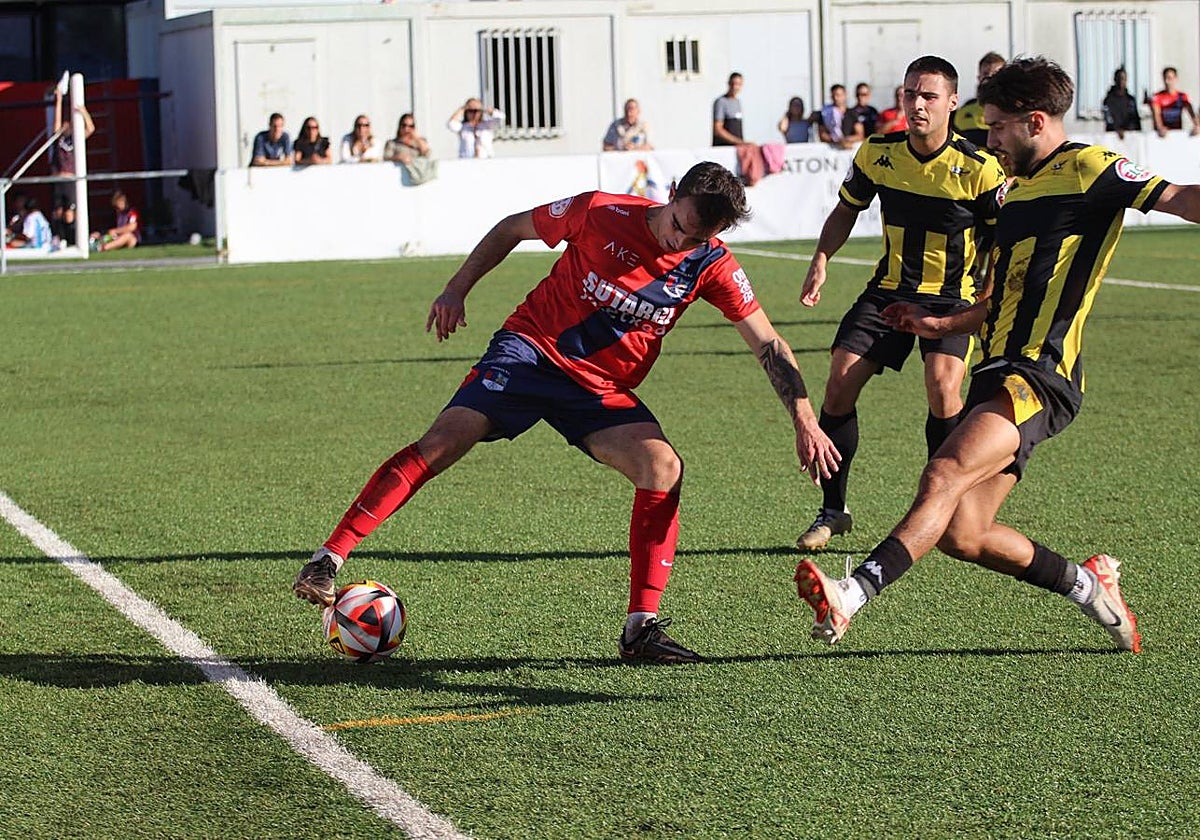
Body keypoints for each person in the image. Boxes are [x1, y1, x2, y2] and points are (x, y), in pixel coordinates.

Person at [291, 161, 841, 664]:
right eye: (679, 225)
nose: (681, 240)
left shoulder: (711, 264)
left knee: (663, 468)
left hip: (600, 389)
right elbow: (511, 227)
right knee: (443, 441)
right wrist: (457, 288)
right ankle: (329, 559)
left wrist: (804, 419)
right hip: (530, 351)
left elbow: (768, 343)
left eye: (698, 236)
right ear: (671, 195)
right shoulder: (601, 211)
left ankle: (640, 629)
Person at [795, 55, 1200, 654]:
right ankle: (1093, 587)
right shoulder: (1015, 191)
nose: (990, 141)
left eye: (999, 128)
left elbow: (1181, 198)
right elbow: (999, 296)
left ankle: (852, 595)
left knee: (943, 472)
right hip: (996, 367)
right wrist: (940, 321)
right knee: (966, 533)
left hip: (1041, 373)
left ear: (1036, 121)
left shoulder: (1092, 167)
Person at [795, 55, 1006, 552]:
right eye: (910, 94)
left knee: (942, 389)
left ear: (953, 103)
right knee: (839, 382)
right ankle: (832, 510)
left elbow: (1002, 241)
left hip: (953, 296)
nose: (917, 104)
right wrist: (822, 257)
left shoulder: (979, 168)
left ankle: (943, 505)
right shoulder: (878, 152)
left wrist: (989, 300)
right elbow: (846, 208)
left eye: (929, 96)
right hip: (889, 291)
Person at [49, 84, 95, 226]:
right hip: (58, 177)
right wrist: (59, 100)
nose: (66, 125)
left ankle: (70, 238)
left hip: (70, 178)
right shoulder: (58, 138)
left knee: (69, 213)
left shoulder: (77, 139)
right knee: (57, 211)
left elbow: (91, 128)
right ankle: (59, 238)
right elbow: (56, 123)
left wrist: (83, 111)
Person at [953, 52, 1006, 146]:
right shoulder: (964, 111)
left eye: (995, 73)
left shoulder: (1011, 113)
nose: (989, 78)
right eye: (986, 73)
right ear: (979, 77)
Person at [1150, 67, 1200, 137]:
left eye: (1170, 78)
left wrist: (1197, 126)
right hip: (1163, 134)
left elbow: (1192, 114)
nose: (1167, 82)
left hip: (1177, 133)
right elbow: (1156, 114)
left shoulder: (1182, 96)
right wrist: (1160, 127)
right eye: (1165, 78)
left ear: (1175, 79)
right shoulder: (1157, 97)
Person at [1102, 68, 1142, 140]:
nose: (1121, 81)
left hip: (1131, 137)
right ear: (1115, 80)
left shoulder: (1130, 100)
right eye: (1119, 78)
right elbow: (1108, 119)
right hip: (1113, 138)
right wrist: (1117, 129)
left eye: (1123, 79)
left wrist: (1130, 131)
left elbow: (1135, 119)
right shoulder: (1108, 100)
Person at [712, 73, 745, 146]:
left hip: (736, 148)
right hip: (724, 148)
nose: (735, 87)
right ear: (729, 84)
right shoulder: (721, 102)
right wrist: (738, 142)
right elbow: (718, 129)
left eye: (738, 84)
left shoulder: (738, 102)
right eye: (733, 84)